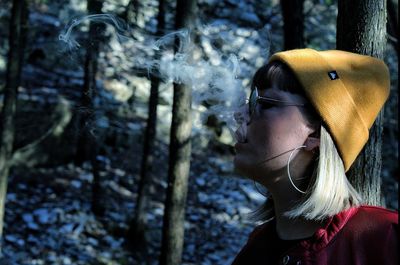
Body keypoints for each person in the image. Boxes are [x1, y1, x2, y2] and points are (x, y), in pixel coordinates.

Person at [232, 48, 398, 265]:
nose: (240, 114)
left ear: (316, 134)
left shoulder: (386, 239)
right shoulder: (254, 251)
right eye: (250, 100)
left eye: (265, 103)